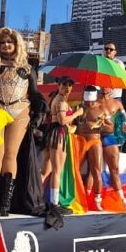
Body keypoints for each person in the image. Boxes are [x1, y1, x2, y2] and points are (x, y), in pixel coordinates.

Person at [0, 27, 42, 215]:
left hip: (20, 111)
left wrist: (36, 115)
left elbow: (34, 94)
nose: (6, 45)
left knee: (10, 154)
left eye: (9, 42)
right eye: (2, 42)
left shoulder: (27, 68)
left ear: (17, 44)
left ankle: (5, 204)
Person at [44, 78, 84, 210]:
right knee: (57, 170)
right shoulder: (60, 101)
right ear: (59, 86)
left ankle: (35, 197)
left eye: (70, 85)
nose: (67, 88)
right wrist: (76, 113)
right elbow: (62, 121)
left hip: (56, 134)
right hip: (58, 134)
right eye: (65, 85)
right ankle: (54, 203)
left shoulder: (60, 100)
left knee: (47, 170)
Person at [72, 86, 109, 210]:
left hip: (94, 141)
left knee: (96, 171)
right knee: (74, 169)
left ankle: (97, 199)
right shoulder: (78, 108)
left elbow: (111, 128)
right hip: (80, 140)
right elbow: (70, 124)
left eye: (91, 101)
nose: (89, 103)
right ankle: (77, 197)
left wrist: (102, 125)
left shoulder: (101, 109)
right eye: (87, 101)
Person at [101, 88, 126, 211]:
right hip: (93, 137)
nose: (105, 87)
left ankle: (122, 200)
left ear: (111, 88)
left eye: (107, 85)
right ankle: (93, 200)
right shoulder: (93, 101)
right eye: (102, 85)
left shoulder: (117, 103)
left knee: (114, 168)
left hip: (109, 137)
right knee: (92, 171)